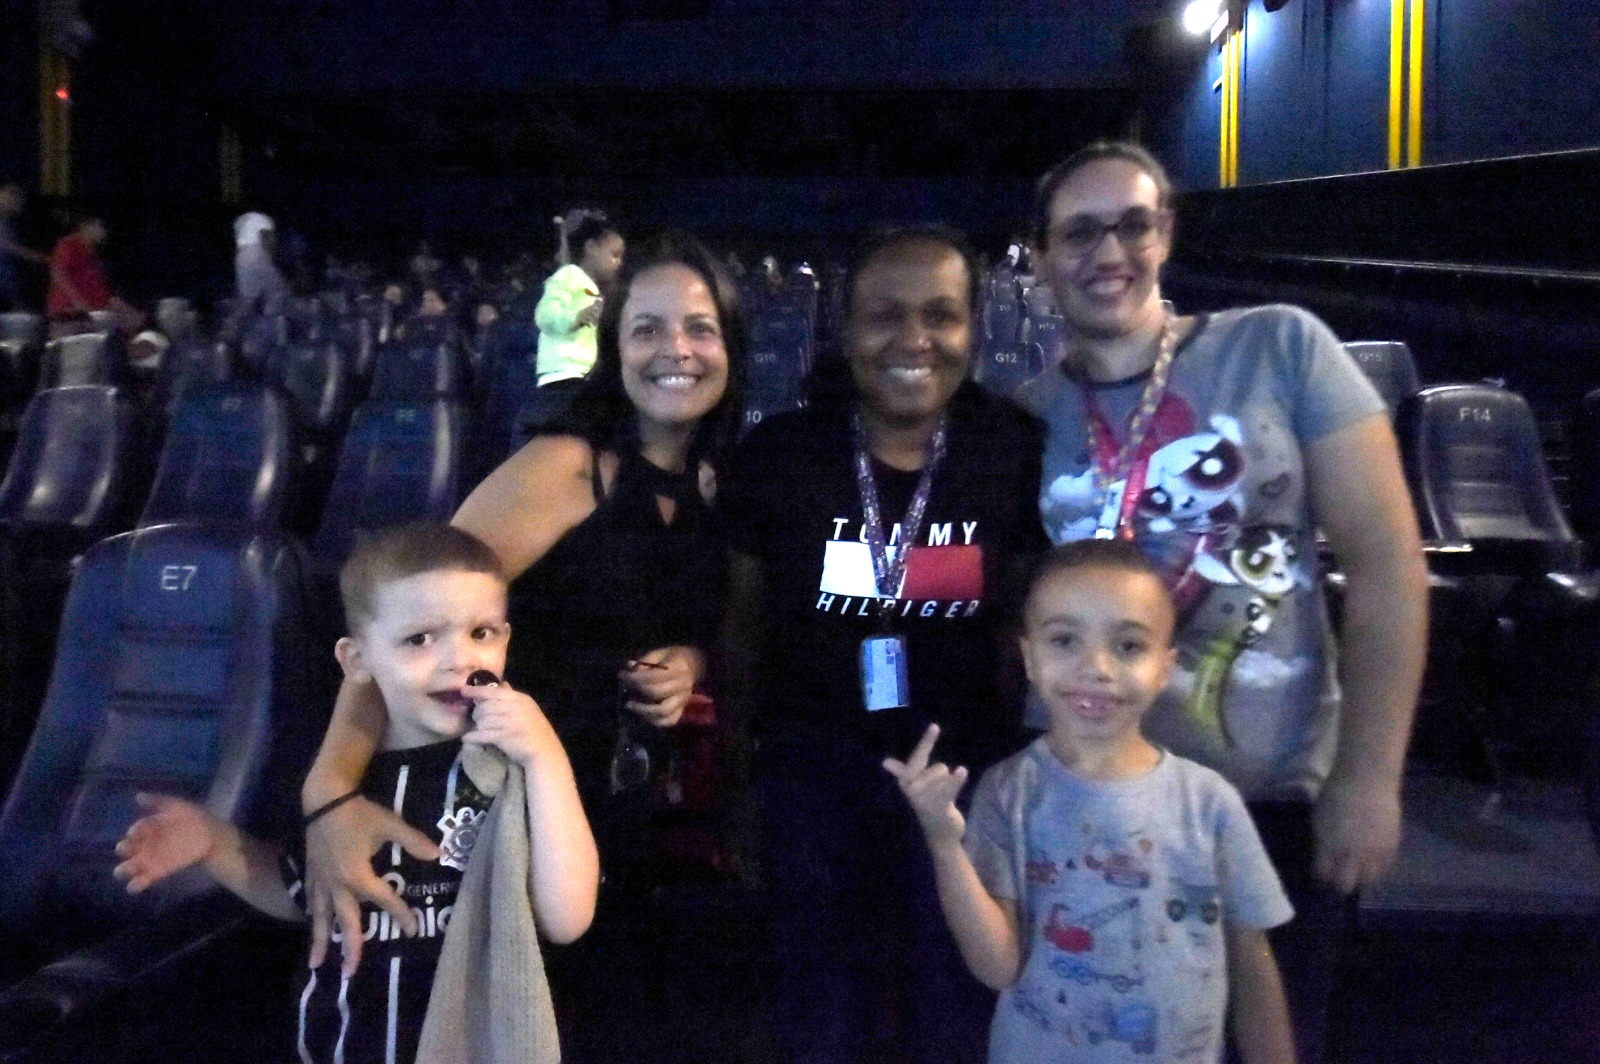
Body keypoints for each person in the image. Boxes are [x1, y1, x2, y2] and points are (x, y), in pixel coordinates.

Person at [1015, 140, 1428, 1063]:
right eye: (1079, 233)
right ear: (1042, 256)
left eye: (1132, 224)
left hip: (1266, 797)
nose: (1108, 252)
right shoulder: (1027, 414)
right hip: (1090, 809)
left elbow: (1387, 565)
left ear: (1165, 233)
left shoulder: (1280, 346)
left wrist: (1370, 776)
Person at [298, 232, 745, 1062]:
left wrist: (686, 663)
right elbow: (408, 619)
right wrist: (329, 792)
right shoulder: (565, 467)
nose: (676, 350)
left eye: (701, 327)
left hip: (613, 803)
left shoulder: (714, 480)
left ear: (733, 347)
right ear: (613, 348)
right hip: (504, 804)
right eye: (647, 328)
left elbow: (686, 615)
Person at [720, 226, 1048, 1063]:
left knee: (954, 1021)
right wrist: (738, 785)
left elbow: (1024, 636)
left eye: (941, 315)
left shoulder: (1013, 450)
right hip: (812, 789)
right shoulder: (780, 456)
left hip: (968, 791)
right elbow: (743, 637)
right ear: (845, 327)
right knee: (824, 1025)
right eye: (884, 315)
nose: (913, 339)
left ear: (974, 327)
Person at [112, 522, 599, 1064]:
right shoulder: (343, 784)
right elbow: (306, 894)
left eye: (480, 633)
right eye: (419, 639)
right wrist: (212, 842)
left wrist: (546, 758)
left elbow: (567, 917)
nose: (459, 659)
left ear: (505, 639)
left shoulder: (514, 770)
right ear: (356, 661)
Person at [887, 540, 1295, 1063]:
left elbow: (1253, 962)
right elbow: (997, 967)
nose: (1096, 667)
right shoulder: (1009, 792)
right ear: (1029, 658)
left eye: (1128, 646)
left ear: (1164, 667)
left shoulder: (1210, 803)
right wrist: (944, 843)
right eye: (1064, 641)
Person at [520, 214, 626, 438]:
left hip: (580, 377)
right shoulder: (568, 275)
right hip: (561, 377)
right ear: (591, 248)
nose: (618, 263)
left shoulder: (593, 288)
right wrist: (575, 319)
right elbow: (544, 314)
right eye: (614, 255)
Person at [45, 213, 143, 336]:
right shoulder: (68, 244)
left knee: (134, 322)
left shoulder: (93, 255)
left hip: (95, 315)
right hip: (70, 315)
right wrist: (81, 304)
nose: (104, 232)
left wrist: (117, 305)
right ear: (86, 226)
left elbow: (98, 290)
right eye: (100, 227)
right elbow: (58, 274)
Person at [0, 183, 49, 311]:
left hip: (8, 281)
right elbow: (7, 245)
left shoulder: (8, 222)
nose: (19, 203)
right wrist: (37, 257)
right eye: (15, 198)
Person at [233, 211, 289, 308]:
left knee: (250, 297)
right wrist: (269, 257)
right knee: (277, 291)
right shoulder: (261, 219)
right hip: (256, 251)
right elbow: (267, 237)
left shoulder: (241, 220)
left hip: (241, 255)